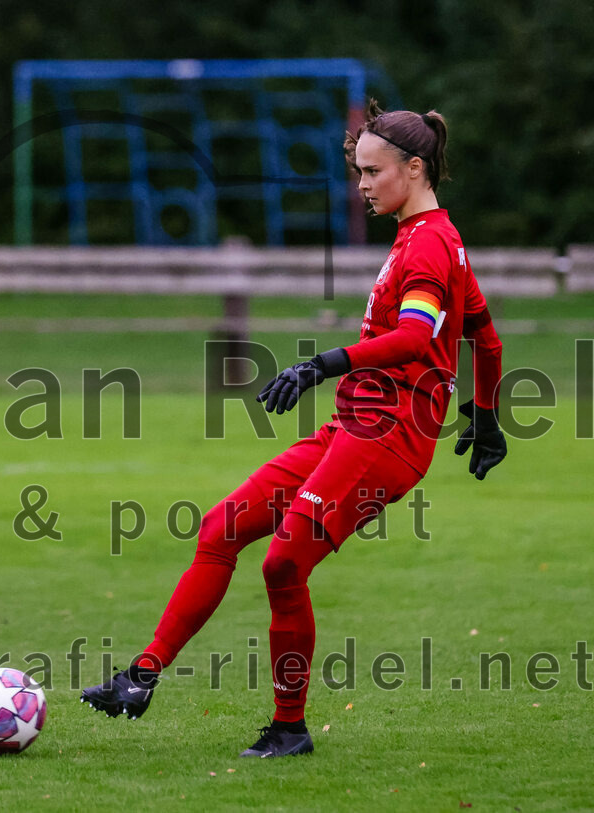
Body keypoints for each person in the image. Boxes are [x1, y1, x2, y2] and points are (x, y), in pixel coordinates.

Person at [81, 100, 507, 757]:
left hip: (386, 437)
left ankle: (290, 727)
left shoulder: (426, 245)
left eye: (372, 172)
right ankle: (141, 676)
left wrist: (320, 364)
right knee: (222, 528)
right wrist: (484, 415)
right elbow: (484, 332)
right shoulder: (431, 235)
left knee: (283, 562)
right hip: (353, 425)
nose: (362, 185)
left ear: (414, 168)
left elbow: (416, 334)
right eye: (358, 171)